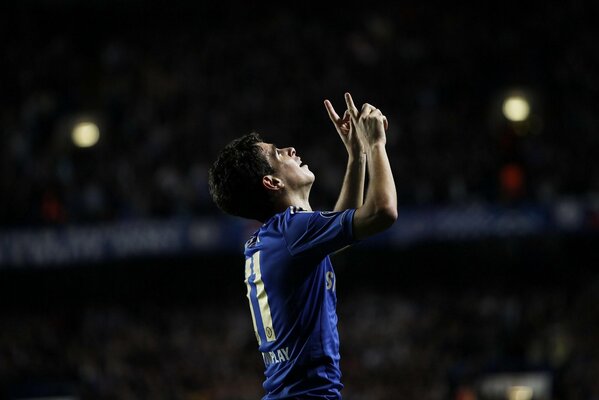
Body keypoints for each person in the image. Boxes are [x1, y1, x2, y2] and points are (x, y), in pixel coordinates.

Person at [208, 93, 397, 399]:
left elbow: (333, 241)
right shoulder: (292, 231)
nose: (290, 149)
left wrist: (357, 155)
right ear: (272, 182)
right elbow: (382, 212)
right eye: (278, 154)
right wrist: (376, 143)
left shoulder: (271, 238)